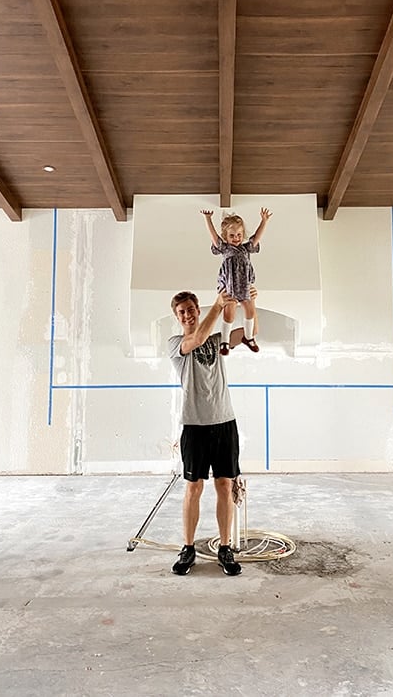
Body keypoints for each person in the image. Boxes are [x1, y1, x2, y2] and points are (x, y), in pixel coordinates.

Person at [168, 288, 256, 576]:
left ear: (197, 309)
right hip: (194, 425)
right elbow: (198, 339)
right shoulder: (176, 344)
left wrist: (248, 301)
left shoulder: (219, 340)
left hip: (224, 422)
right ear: (177, 316)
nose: (188, 313)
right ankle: (189, 548)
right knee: (194, 487)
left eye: (191, 308)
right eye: (182, 311)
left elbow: (248, 332)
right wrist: (218, 306)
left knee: (225, 485)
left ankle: (225, 548)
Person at [201, 207, 272, 355]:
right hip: (230, 284)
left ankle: (248, 337)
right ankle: (225, 341)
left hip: (244, 284)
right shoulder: (225, 249)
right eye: (232, 235)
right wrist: (208, 219)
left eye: (239, 235)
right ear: (226, 237)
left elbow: (256, 237)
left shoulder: (246, 249)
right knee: (229, 313)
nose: (236, 238)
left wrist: (264, 221)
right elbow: (214, 237)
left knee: (250, 310)